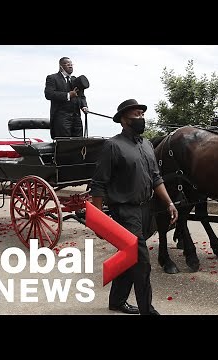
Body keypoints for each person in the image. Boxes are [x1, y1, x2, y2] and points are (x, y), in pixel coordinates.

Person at [89, 99, 179, 315]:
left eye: (142, 114)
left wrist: (169, 202)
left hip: (145, 210)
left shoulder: (147, 145)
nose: (141, 118)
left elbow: (156, 178)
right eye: (136, 115)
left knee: (129, 258)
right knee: (141, 263)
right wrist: (99, 220)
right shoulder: (113, 146)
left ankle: (117, 301)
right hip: (124, 212)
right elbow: (99, 184)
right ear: (123, 119)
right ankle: (147, 310)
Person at [44, 57, 88, 139]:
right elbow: (49, 94)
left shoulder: (75, 79)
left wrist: (84, 106)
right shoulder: (52, 78)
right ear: (61, 67)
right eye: (68, 64)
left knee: (78, 142)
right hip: (62, 117)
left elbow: (81, 95)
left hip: (76, 117)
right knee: (65, 143)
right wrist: (68, 95)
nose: (70, 66)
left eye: (71, 64)